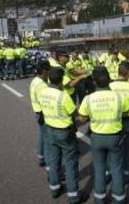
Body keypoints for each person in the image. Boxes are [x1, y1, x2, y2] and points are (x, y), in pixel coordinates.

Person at [39, 67, 89, 204]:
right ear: (61, 80)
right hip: (64, 132)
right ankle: (74, 196)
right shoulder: (63, 96)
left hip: (50, 130)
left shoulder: (43, 92)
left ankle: (55, 188)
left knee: (54, 160)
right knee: (71, 162)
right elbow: (75, 114)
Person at [78, 67, 128, 204]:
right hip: (115, 137)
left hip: (97, 138)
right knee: (116, 168)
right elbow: (125, 113)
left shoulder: (88, 99)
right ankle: (119, 199)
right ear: (109, 80)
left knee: (99, 168)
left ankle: (99, 199)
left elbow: (81, 118)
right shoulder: (118, 97)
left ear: (94, 82)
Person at [109, 61, 129, 184]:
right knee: (127, 149)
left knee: (113, 149)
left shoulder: (110, 86)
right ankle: (126, 174)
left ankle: (110, 173)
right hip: (128, 122)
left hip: (113, 121)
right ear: (128, 73)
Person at [29, 60, 51, 167]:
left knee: (42, 135)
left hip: (37, 112)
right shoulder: (42, 85)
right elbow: (46, 101)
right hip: (43, 113)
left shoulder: (35, 80)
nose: (49, 73)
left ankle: (41, 157)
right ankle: (49, 165)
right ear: (44, 71)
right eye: (48, 70)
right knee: (47, 141)